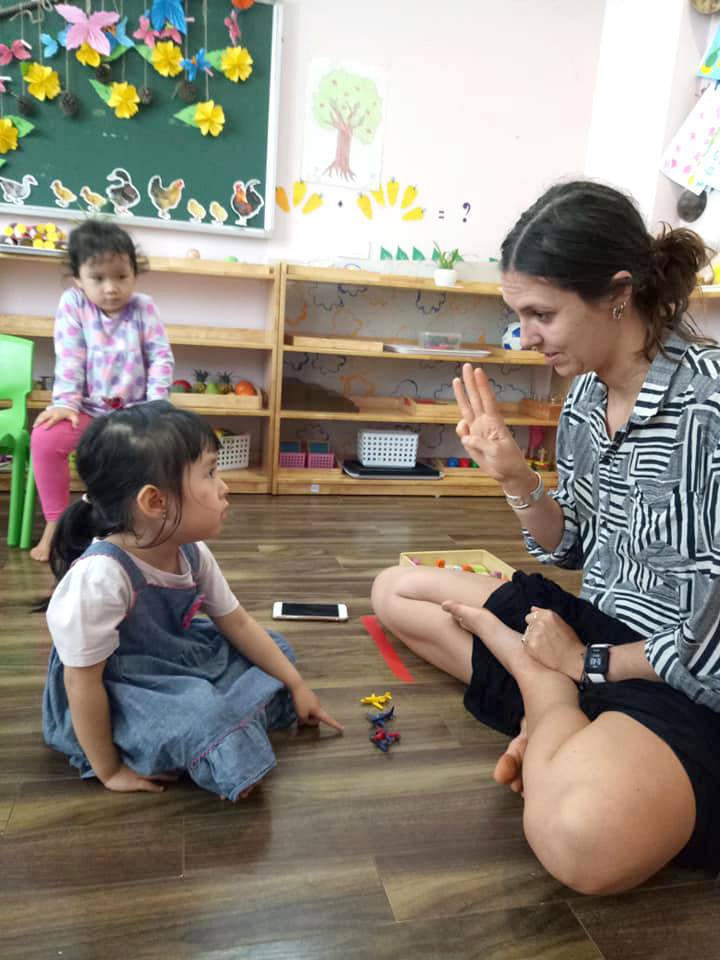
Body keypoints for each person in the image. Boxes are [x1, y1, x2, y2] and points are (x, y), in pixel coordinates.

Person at [372, 180, 720, 893]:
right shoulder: (587, 396)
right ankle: (561, 717)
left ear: (617, 293)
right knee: (395, 590)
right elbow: (572, 548)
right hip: (589, 636)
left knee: (583, 842)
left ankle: (547, 698)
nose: (526, 336)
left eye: (541, 314)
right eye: (519, 315)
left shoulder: (708, 407)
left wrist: (581, 664)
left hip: (683, 679)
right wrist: (513, 476)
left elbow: (708, 648)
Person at [43, 401, 343, 800]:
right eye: (210, 473)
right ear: (155, 502)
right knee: (202, 712)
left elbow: (237, 623)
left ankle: (220, 731)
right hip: (120, 686)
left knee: (276, 648)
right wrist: (110, 770)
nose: (224, 487)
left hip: (177, 655)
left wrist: (297, 684)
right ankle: (217, 733)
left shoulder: (192, 552)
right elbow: (81, 682)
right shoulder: (100, 578)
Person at [29, 220, 174, 562]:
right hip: (85, 409)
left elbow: (160, 357)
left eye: (121, 276)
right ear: (78, 279)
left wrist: (155, 408)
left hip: (135, 412)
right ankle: (56, 525)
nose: (111, 288)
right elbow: (69, 356)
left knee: (159, 450)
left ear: (135, 273)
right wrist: (65, 403)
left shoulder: (144, 308)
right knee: (46, 439)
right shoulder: (73, 303)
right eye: (98, 278)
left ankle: (134, 523)